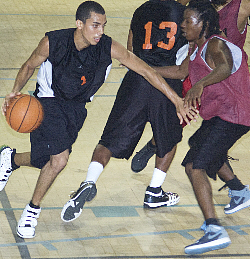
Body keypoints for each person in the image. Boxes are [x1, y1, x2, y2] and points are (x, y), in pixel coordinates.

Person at [0, 1, 195, 238]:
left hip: (76, 109)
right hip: (47, 103)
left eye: (103, 25)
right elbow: (29, 65)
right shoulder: (53, 42)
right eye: (95, 25)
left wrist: (175, 99)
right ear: (79, 24)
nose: (100, 31)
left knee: (45, 160)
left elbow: (147, 71)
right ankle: (32, 210)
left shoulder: (108, 47)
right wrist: (14, 91)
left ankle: (10, 159)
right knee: (59, 160)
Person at [60, 0, 198, 222]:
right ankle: (154, 192)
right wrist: (154, 73)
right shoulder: (186, 16)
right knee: (169, 138)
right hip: (167, 84)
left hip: (134, 83)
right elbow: (183, 70)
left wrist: (144, 70)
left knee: (108, 140)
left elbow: (131, 51)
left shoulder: (141, 9)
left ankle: (90, 180)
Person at [131, 0, 250, 222]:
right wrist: (143, 69)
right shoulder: (196, 47)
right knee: (199, 145)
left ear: (203, 24)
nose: (182, 24)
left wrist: (200, 84)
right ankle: (239, 190)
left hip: (235, 114)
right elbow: (178, 71)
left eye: (187, 20)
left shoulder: (215, 44)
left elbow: (224, 67)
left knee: (194, 165)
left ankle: (213, 227)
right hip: (222, 114)